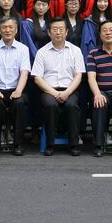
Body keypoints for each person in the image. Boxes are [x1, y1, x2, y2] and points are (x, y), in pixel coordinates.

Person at [31, 16, 87, 156]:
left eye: (61, 29)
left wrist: (67, 93)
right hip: (49, 90)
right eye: (55, 29)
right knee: (50, 105)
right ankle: (50, 144)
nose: (58, 32)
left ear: (66, 32)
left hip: (70, 90)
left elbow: (78, 75)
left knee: (72, 105)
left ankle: (74, 144)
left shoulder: (75, 50)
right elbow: (37, 78)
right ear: (49, 32)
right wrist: (54, 93)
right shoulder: (42, 52)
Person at [0, 16, 31, 155]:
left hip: (16, 88)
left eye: (11, 27)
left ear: (16, 30)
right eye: (4, 27)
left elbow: (24, 73)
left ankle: (18, 143)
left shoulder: (23, 49)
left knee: (19, 103)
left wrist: (19, 90)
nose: (7, 30)